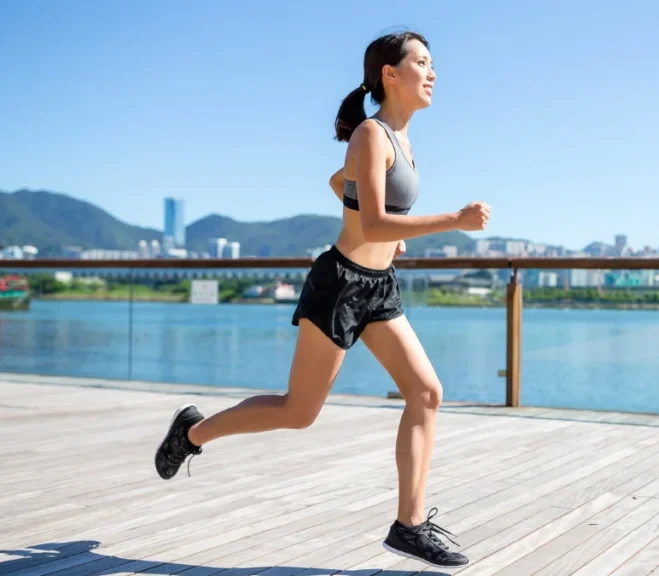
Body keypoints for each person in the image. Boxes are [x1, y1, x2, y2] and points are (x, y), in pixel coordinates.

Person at [153, 30, 490, 569]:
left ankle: (408, 526)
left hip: (378, 288)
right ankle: (192, 432)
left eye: (433, 64)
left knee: (427, 393)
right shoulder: (372, 134)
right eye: (422, 63)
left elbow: (341, 184)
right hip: (340, 286)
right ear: (389, 74)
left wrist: (384, 231)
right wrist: (447, 221)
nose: (432, 73)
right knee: (298, 411)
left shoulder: (399, 140)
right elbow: (373, 216)